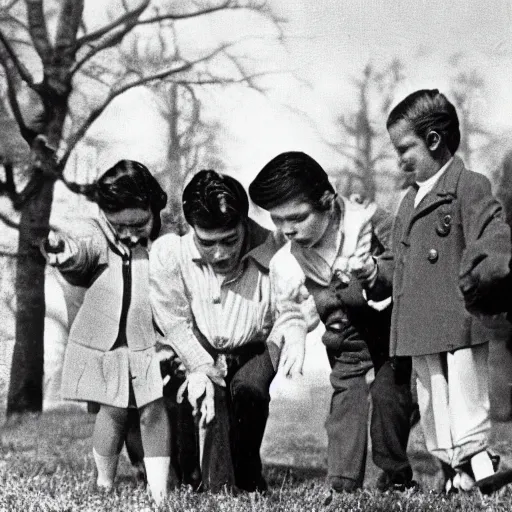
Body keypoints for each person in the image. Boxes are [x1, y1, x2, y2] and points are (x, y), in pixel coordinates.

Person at [351, 89, 512, 493]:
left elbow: (491, 235)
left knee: (465, 398)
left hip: (457, 319)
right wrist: (373, 271)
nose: (398, 158)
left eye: (404, 148)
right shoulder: (408, 201)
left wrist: (489, 270)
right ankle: (456, 469)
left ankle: (479, 459)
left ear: (434, 140)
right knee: (434, 405)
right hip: (418, 326)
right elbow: (395, 263)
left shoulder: (468, 186)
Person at [248, 151, 416, 495]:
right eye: (278, 221)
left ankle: (395, 474)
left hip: (390, 326)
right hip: (345, 331)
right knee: (346, 400)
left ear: (327, 200)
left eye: (296, 217)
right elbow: (290, 305)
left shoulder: (369, 221)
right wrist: (294, 331)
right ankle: (343, 482)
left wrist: (375, 271)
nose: (287, 229)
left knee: (390, 400)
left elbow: (403, 260)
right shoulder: (289, 253)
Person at [149, 169, 314, 493]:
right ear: (191, 229)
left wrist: (290, 330)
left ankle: (249, 472)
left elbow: (298, 304)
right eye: (207, 243)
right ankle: (198, 475)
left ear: (244, 224)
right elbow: (173, 321)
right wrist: (201, 367)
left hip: (259, 342)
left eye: (230, 240)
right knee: (198, 413)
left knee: (249, 390)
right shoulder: (171, 254)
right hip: (202, 346)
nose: (220, 253)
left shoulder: (275, 247)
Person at [41, 160, 171, 505]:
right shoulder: (98, 239)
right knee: (112, 412)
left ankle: (159, 493)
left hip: (149, 343)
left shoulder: (164, 245)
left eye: (138, 224)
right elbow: (79, 255)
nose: (130, 234)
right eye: (120, 226)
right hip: (105, 346)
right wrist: (63, 252)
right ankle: (104, 482)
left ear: (154, 207)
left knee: (153, 410)